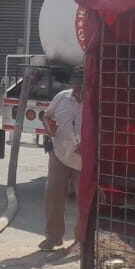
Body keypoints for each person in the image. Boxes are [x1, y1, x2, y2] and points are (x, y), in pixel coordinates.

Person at [40, 69, 84, 251]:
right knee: (53, 194)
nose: (77, 89)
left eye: (81, 86)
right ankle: (53, 237)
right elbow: (47, 115)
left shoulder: (95, 102)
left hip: (83, 159)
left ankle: (81, 240)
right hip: (59, 153)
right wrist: (48, 126)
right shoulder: (62, 97)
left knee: (84, 200)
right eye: (75, 85)